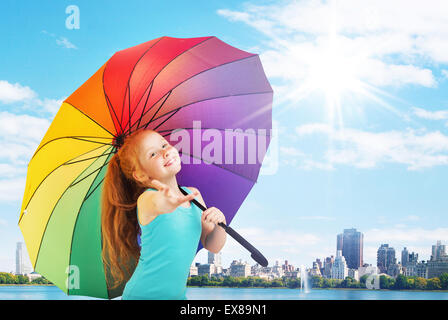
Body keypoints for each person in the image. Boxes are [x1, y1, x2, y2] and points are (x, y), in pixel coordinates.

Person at [101, 128, 227, 300]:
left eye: (164, 144)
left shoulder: (194, 195)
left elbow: (212, 245)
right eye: (153, 154)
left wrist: (221, 225)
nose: (165, 152)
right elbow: (159, 203)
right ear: (140, 175)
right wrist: (168, 201)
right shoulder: (146, 200)